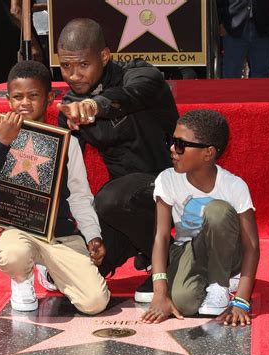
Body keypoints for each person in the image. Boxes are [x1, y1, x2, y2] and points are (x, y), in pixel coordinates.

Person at [0, 61, 110, 315]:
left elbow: (79, 196)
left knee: (95, 302)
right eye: (17, 97)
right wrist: (2, 142)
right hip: (19, 232)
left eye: (33, 96)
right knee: (13, 254)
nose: (24, 103)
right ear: (8, 100)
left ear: (49, 98)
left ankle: (49, 271)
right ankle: (21, 279)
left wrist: (92, 235)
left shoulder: (68, 142)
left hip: (61, 236)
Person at [55, 18, 179, 302]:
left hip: (171, 185)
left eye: (83, 65)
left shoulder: (140, 75)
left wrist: (95, 106)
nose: (74, 75)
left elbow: (132, 95)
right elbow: (65, 174)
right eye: (66, 66)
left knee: (110, 199)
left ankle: (170, 260)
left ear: (104, 56)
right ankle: (146, 248)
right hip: (121, 204)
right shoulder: (71, 106)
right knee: (88, 267)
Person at [140, 109, 259, 327]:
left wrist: (242, 301)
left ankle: (221, 283)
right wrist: (160, 291)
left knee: (217, 211)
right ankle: (208, 280)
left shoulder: (234, 186)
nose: (172, 149)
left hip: (230, 256)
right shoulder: (167, 180)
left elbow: (251, 245)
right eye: (171, 140)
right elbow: (161, 236)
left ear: (208, 153)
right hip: (188, 251)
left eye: (181, 144)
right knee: (184, 303)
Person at [217, 0, 269, 78]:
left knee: (262, 77)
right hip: (233, 27)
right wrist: (220, 22)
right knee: (231, 74)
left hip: (264, 26)